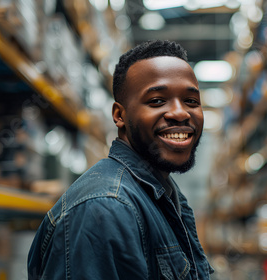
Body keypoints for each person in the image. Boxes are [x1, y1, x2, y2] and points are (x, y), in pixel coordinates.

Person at [28, 40, 214, 279]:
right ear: (119, 115)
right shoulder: (105, 208)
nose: (180, 112)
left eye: (191, 101)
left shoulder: (159, 196)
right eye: (157, 100)